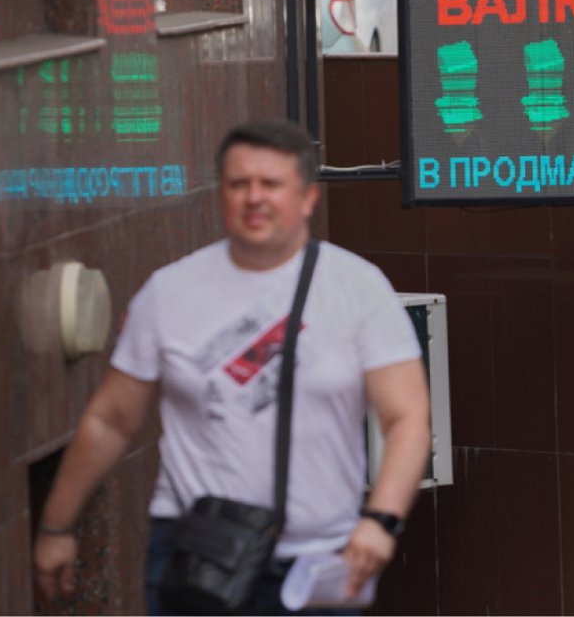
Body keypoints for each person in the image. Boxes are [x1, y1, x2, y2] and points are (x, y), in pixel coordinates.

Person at [33, 120, 433, 615]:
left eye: (271, 184)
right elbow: (110, 419)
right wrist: (56, 525)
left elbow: (407, 419)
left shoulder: (359, 289)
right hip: (198, 557)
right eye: (239, 184)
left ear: (308, 197)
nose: (254, 198)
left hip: (319, 563)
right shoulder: (169, 292)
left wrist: (381, 520)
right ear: (220, 193)